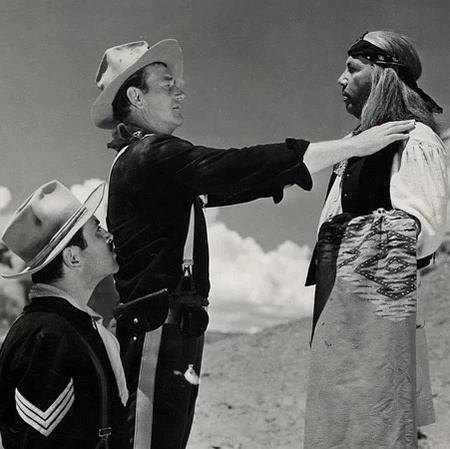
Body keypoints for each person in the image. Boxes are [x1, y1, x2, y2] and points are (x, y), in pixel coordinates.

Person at [91, 38, 415, 449]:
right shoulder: (151, 154)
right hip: (157, 330)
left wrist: (304, 164)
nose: (180, 93)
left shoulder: (149, 162)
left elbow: (233, 183)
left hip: (168, 328)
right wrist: (351, 147)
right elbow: (231, 168)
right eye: (167, 85)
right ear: (136, 97)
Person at [304, 31, 447, 448]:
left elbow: (423, 228)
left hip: (378, 311)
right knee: (338, 413)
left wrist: (352, 239)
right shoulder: (354, 144)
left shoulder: (415, 139)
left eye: (352, 69)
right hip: (340, 304)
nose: (341, 79)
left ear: (383, 75)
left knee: (376, 415)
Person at [0, 181, 129, 449]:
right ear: (73, 258)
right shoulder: (46, 336)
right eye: (97, 230)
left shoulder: (66, 326)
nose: (109, 235)